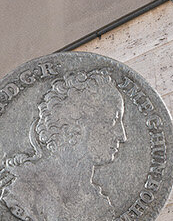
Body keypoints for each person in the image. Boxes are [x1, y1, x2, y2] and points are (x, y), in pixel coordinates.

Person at [0, 70, 127, 221]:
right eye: (112, 121)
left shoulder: (98, 203)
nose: (122, 136)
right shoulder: (25, 195)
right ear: (76, 127)